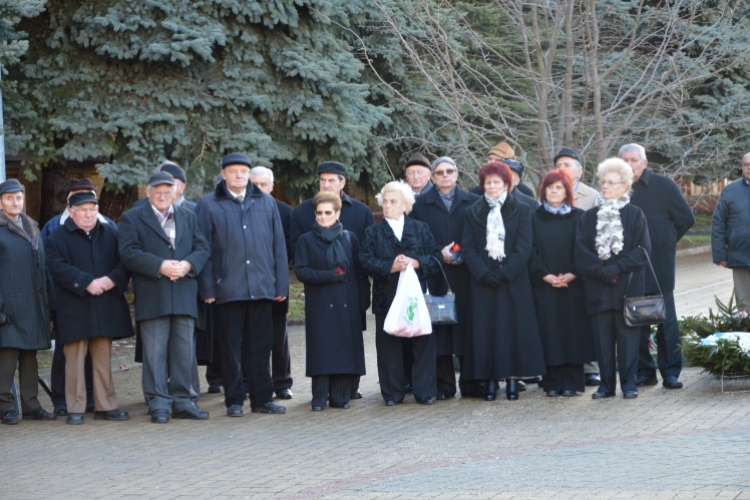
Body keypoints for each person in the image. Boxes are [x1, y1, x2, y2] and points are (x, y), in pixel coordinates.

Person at [196, 153, 289, 417]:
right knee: (230, 348)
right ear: (224, 174)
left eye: (243, 171)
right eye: (233, 171)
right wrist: (208, 289)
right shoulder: (209, 205)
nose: (239, 176)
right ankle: (234, 400)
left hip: (262, 288)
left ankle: (262, 399)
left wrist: (280, 286)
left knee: (261, 347)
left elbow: (278, 247)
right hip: (227, 290)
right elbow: (203, 250)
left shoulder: (266, 202)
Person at [119, 171, 211, 423]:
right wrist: (159, 265)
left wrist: (188, 265)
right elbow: (128, 252)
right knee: (154, 354)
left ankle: (183, 402)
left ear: (175, 192)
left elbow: (202, 248)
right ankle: (158, 403)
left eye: (167, 192)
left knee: (184, 352)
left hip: (183, 293)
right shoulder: (132, 217)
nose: (162, 196)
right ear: (148, 192)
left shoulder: (188, 216)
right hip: (153, 295)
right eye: (157, 192)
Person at [461, 161, 546, 401]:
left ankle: (511, 380)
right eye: (488, 183)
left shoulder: (520, 209)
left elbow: (524, 246)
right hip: (483, 282)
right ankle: (489, 381)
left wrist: (506, 273)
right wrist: (484, 274)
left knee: (512, 332)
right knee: (485, 332)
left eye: (496, 182)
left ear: (507, 184)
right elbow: (467, 248)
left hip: (513, 281)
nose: (492, 187)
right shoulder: (472, 211)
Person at [45, 191, 132, 425]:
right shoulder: (58, 237)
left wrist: (111, 280)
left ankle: (106, 405)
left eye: (92, 209)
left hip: (104, 306)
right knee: (73, 359)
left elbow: (125, 261)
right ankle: (75, 408)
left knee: (103, 357)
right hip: (75, 307)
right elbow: (56, 266)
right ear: (71, 212)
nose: (88, 214)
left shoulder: (110, 233)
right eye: (82, 210)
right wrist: (86, 282)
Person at [289, 161, 373, 398]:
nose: (326, 184)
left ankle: (348, 388)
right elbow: (297, 248)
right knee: (325, 341)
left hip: (350, 289)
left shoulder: (361, 211)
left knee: (350, 338)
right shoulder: (303, 211)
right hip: (321, 292)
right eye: (322, 180)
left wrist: (363, 295)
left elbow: (363, 257)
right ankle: (324, 391)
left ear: (342, 182)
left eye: (331, 180)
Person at [360, 181, 442, 406]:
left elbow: (435, 257)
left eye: (393, 202)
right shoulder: (373, 232)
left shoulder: (420, 228)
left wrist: (415, 262)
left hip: (418, 296)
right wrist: (390, 267)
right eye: (384, 202)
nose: (387, 206)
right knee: (389, 346)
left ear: (404, 205)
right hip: (386, 296)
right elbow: (365, 260)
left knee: (423, 342)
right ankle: (392, 394)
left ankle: (424, 392)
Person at [620, 143, 695, 390]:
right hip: (631, 268)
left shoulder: (664, 187)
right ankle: (645, 372)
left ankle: (671, 372)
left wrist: (666, 242)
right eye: (625, 160)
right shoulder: (617, 190)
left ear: (644, 163)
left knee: (666, 323)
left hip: (659, 266)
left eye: (634, 160)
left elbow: (686, 219)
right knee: (638, 320)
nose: (630, 165)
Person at [575, 158, 651, 400]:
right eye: (603, 182)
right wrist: (603, 272)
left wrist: (616, 267)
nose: (604, 186)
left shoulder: (635, 214)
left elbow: (643, 251)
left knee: (628, 340)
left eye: (611, 182)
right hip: (598, 289)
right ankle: (606, 386)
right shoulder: (588, 218)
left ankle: (629, 384)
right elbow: (581, 253)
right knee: (602, 341)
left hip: (627, 288)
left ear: (624, 185)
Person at [410, 157, 480, 399]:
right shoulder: (420, 206)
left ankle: (471, 385)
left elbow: (479, 237)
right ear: (433, 177)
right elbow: (416, 239)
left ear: (457, 174)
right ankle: (445, 387)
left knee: (467, 329)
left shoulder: (473, 201)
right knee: (439, 331)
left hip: (466, 275)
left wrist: (462, 253)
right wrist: (439, 253)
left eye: (450, 171)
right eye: (439, 172)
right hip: (436, 276)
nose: (445, 175)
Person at [529, 169, 595, 397]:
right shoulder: (533, 218)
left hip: (573, 286)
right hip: (544, 286)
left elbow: (586, 250)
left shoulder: (579, 217)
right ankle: (552, 383)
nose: (554, 191)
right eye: (550, 187)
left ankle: (573, 383)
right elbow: (530, 252)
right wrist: (545, 276)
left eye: (559, 187)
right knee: (550, 334)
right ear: (543, 191)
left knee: (573, 334)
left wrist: (573, 273)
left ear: (567, 191)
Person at [0, 179, 56, 425]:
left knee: (29, 358)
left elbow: (43, 268)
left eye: (19, 197)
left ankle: (32, 406)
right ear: (0, 202)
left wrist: (49, 305)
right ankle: (5, 409)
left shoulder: (32, 226)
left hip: (33, 305)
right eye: (9, 198)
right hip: (8, 307)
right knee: (6, 361)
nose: (15, 202)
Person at [554, 147, 601, 386]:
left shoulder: (592, 196)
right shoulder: (548, 194)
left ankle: (590, 367)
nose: (562, 168)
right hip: (555, 268)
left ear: (580, 171)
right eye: (559, 164)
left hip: (584, 267)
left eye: (568, 164)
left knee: (585, 317)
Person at [247, 166, 294, 400]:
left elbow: (286, 251)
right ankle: (251, 382)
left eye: (263, 184)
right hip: (249, 287)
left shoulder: (284, 212)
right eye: (254, 184)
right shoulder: (240, 210)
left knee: (278, 337)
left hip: (275, 285)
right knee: (252, 337)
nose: (259, 189)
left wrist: (280, 285)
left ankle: (282, 382)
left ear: (272, 186)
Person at [712, 152, 750, 312]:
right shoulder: (729, 191)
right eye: (746, 164)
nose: (749, 168)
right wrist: (720, 254)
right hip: (740, 255)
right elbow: (718, 223)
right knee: (744, 305)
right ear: (742, 167)